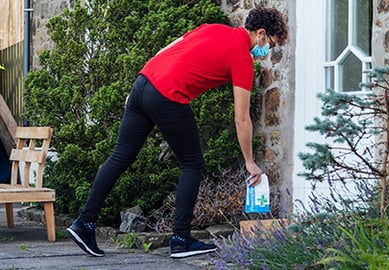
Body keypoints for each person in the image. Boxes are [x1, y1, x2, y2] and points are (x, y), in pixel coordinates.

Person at [66, 6, 288, 259]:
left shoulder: (212, 28)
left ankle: (84, 222)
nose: (267, 50)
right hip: (167, 95)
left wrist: (139, 86)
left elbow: (167, 49)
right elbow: (242, 118)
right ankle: (181, 240)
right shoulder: (242, 58)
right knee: (192, 163)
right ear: (260, 33)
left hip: (143, 83)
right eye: (269, 43)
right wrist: (249, 162)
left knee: (120, 157)